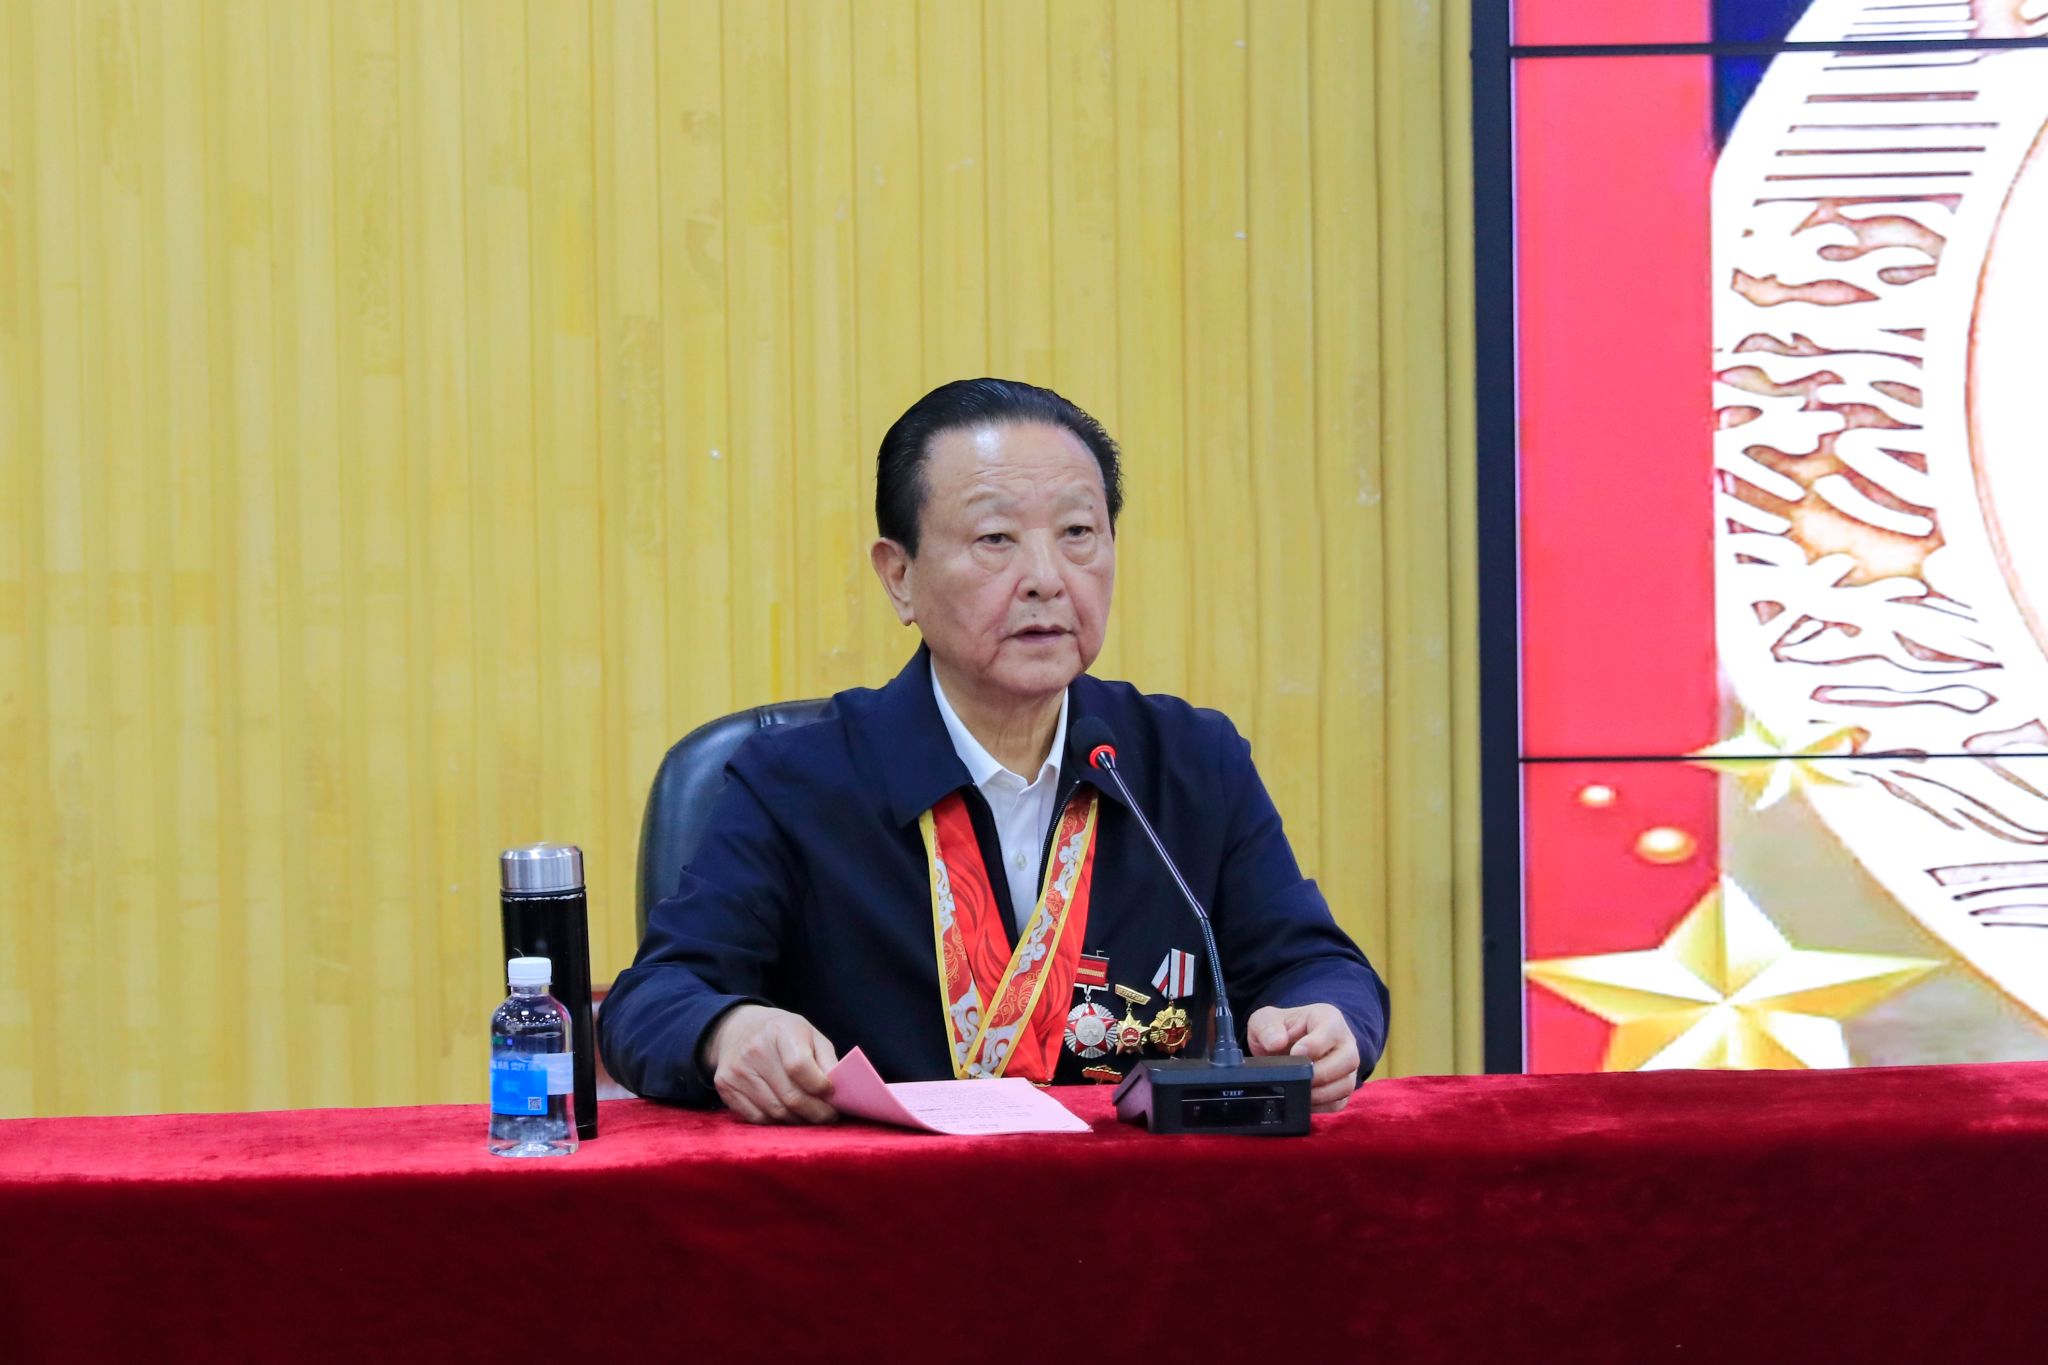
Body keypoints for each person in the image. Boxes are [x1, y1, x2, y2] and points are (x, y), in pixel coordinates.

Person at [599, 378, 1389, 1123]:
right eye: (995, 538)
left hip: (1133, 1205)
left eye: (1078, 533)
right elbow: (654, 999)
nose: (1047, 577)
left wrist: (1326, 1020)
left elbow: (1315, 966)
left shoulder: (1188, 762)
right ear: (899, 576)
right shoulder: (796, 782)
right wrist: (729, 1029)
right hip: (877, 1204)